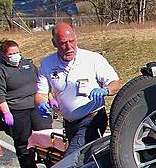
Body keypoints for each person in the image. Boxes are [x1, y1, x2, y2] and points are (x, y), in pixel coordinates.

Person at [34, 22, 122, 154]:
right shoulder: (47, 63)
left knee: (72, 160)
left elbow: (116, 83)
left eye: (72, 41)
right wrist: (41, 104)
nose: (69, 47)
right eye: (63, 43)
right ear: (54, 43)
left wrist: (106, 90)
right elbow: (40, 94)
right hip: (69, 122)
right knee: (86, 160)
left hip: (91, 119)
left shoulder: (93, 59)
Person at [0, 40, 51, 168]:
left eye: (17, 52)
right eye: (11, 54)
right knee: (24, 141)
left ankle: (51, 167)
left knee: (46, 137)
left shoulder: (28, 65)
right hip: (17, 110)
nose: (15, 56)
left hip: (36, 107)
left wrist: (50, 98)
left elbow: (42, 83)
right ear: (4, 55)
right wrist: (6, 112)